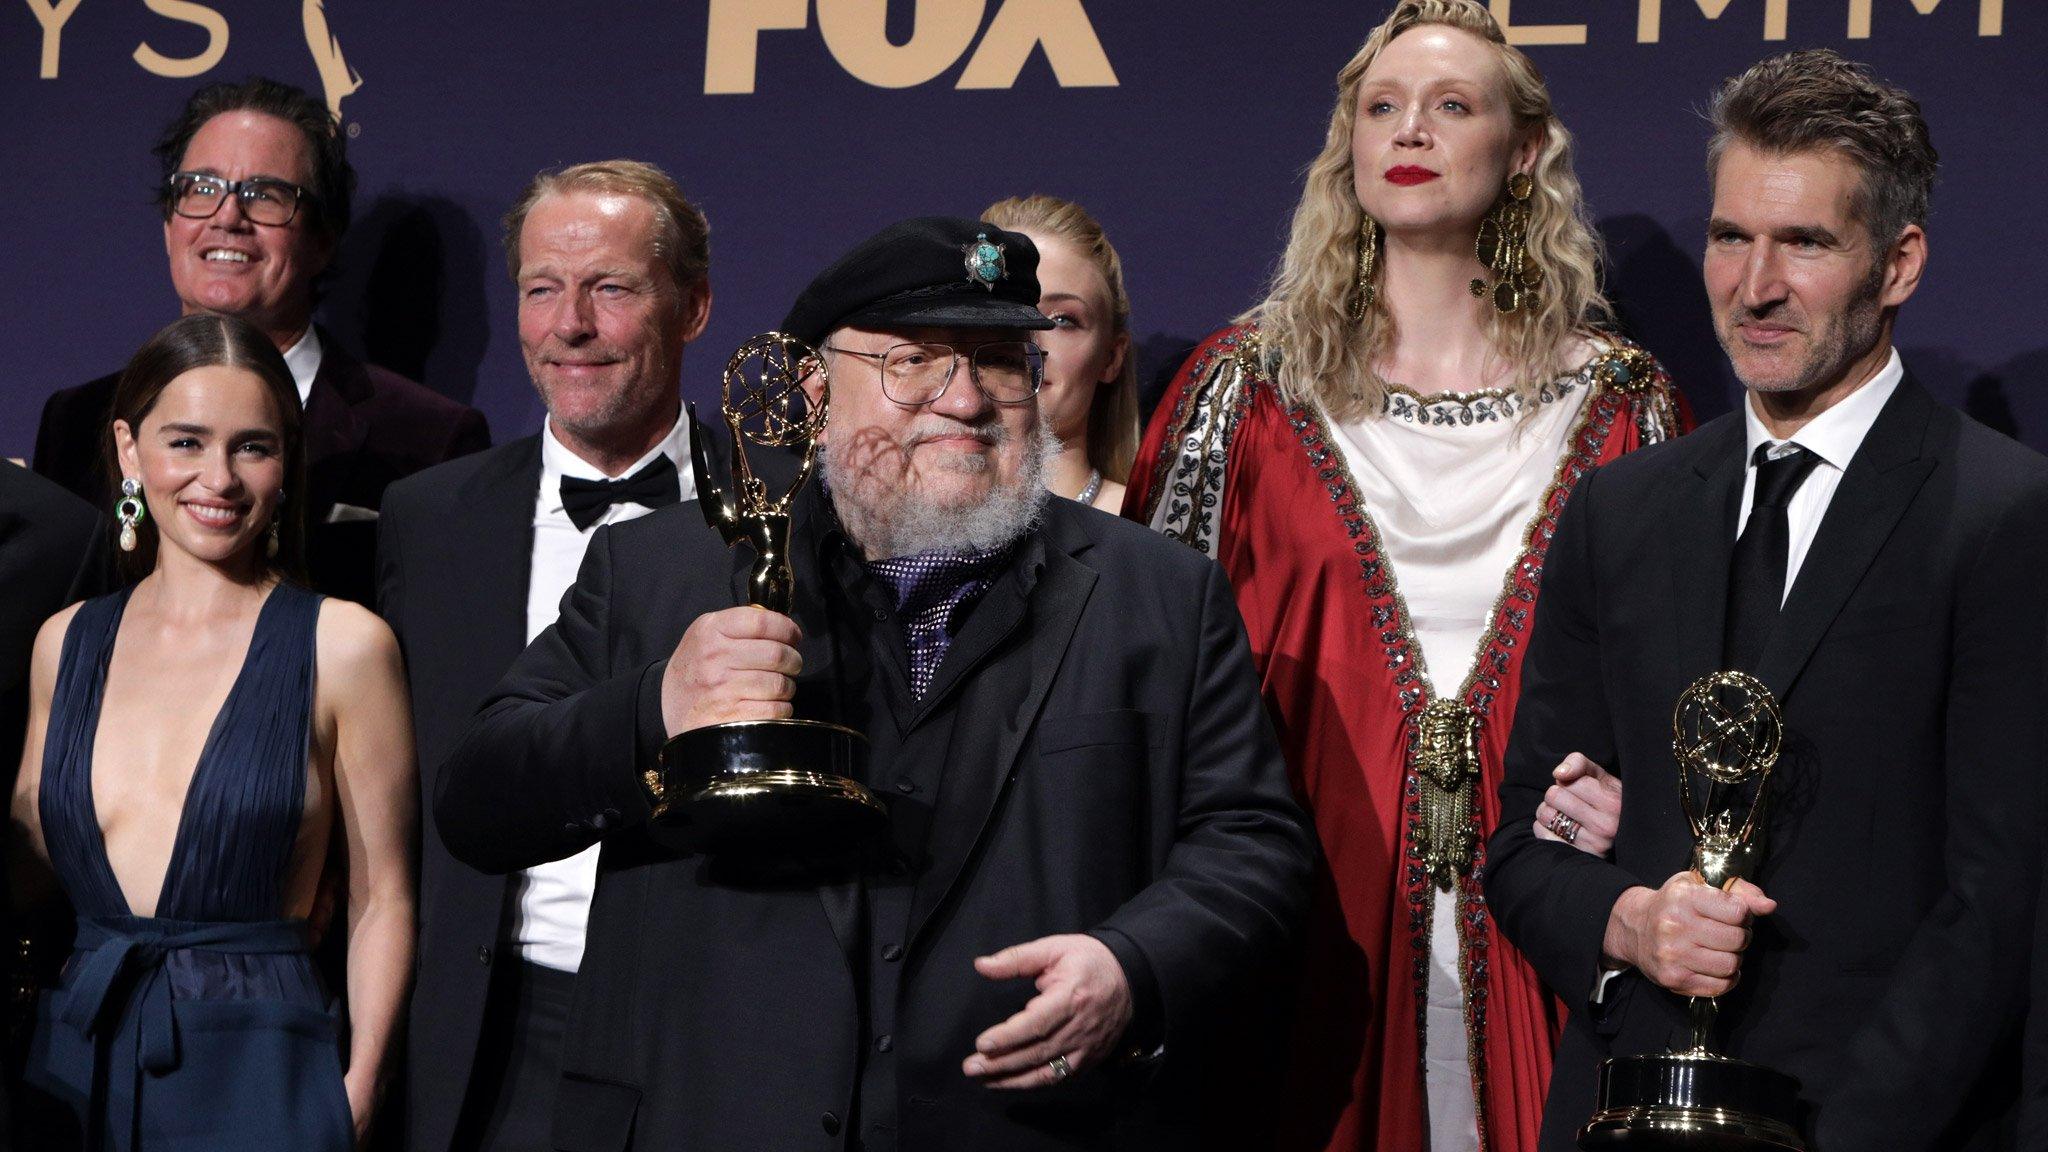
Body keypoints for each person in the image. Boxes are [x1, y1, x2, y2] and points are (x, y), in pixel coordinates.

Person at [432, 216, 1314, 1149]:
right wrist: (656, 709)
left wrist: (1131, 963)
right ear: (817, 388)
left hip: (1024, 1124)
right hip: (712, 1116)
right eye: (916, 361)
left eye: (1002, 362)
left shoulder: (1159, 594)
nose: (965, 399)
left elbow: (1252, 844)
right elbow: (478, 800)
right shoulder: (658, 572)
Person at [1124, 3, 1676, 1150]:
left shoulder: (1622, 404)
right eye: (1379, 107)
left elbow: (1682, 672)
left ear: (1522, 152)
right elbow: (1140, 668)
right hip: (1299, 909)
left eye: (1450, 105)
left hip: (1544, 915)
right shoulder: (1241, 388)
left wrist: (1653, 812)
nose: (1407, 129)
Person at [1484, 50, 2048, 1151]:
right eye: (1730, 236)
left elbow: (1995, 902)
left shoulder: (2002, 516)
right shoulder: (1618, 512)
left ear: (1897, 264)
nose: (1753, 286)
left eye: (1803, 243)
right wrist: (1625, 921)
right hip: (1627, 1114)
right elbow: (1520, 845)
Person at [9, 313, 416, 1149]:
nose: (219, 479)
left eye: (252, 447)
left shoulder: (343, 645)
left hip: (262, 1075)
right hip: (70, 1057)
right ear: (130, 450)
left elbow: (384, 898)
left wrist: (359, 1090)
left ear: (285, 462)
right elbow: (30, 864)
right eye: (186, 442)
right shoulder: (65, 642)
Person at [378, 160, 714, 1152]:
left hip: (694, 1023)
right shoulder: (429, 518)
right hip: (486, 1031)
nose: (568, 324)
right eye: (540, 289)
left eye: (609, 288)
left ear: (691, 307)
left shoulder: (785, 508)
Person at [32, 76, 489, 607]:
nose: (227, 217)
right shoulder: (75, 421)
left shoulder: (429, 438)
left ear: (322, 238)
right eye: (201, 189)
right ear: (169, 225)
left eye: (265, 195)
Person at [981, 195, 1139, 511]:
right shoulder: (899, 530)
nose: (1030, 339)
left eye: (1063, 320)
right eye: (1009, 311)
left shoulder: (1158, 539)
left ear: (1111, 358)